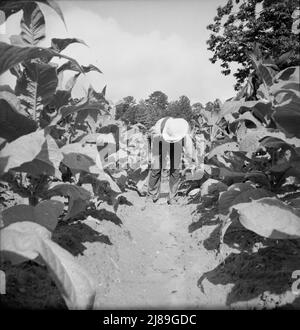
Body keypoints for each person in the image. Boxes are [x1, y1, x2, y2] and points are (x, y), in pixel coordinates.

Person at [144, 116, 194, 206]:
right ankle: (151, 195)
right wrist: (150, 156)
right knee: (156, 168)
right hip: (159, 141)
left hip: (176, 145)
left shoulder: (183, 132)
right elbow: (150, 140)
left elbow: (189, 149)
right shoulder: (158, 129)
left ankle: (172, 197)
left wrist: (191, 162)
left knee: (175, 169)